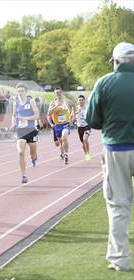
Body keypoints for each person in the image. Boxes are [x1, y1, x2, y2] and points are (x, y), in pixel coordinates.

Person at [86, 42, 134, 272]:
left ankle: (120, 259)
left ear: (115, 61)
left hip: (117, 150)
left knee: (118, 206)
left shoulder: (104, 82)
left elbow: (92, 120)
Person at [11, 84, 40, 183]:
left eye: (22, 91)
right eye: (18, 91)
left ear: (26, 92)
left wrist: (26, 118)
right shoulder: (15, 103)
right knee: (21, 153)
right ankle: (24, 175)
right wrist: (13, 124)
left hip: (31, 130)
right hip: (21, 130)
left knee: (32, 153)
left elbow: (36, 115)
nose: (20, 93)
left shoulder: (31, 101)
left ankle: (34, 158)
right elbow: (13, 115)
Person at [47, 87, 72, 164]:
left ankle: (66, 154)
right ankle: (63, 153)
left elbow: (73, 108)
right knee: (60, 143)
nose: (58, 94)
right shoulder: (52, 103)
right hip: (57, 125)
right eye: (56, 93)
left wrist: (72, 115)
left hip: (65, 124)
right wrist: (57, 106)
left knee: (64, 138)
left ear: (62, 93)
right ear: (54, 94)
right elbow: (49, 113)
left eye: (59, 92)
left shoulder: (66, 102)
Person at [71, 95, 91, 161]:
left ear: (84, 101)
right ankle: (86, 154)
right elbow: (72, 119)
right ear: (78, 101)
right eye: (79, 100)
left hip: (87, 126)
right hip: (79, 127)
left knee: (85, 139)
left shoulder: (88, 108)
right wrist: (77, 112)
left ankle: (88, 154)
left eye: (82, 100)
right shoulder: (75, 108)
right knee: (83, 143)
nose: (81, 101)